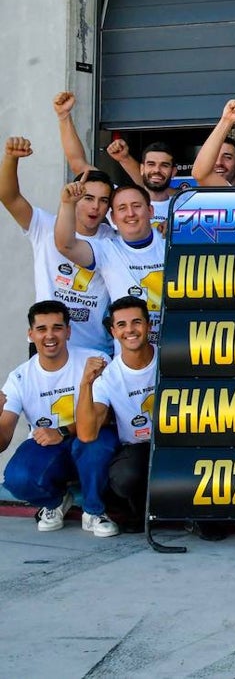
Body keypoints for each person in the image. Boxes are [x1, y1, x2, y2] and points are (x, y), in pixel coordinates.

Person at [0, 301, 118, 536]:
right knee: (15, 478)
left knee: (94, 442)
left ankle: (94, 511)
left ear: (68, 331)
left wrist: (63, 431)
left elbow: (107, 417)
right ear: (30, 334)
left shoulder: (94, 359)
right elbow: (3, 439)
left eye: (57, 327)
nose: (50, 335)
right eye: (42, 329)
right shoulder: (20, 377)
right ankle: (55, 502)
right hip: (47, 448)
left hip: (87, 439)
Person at [1, 137, 115, 354]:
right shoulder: (44, 225)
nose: (95, 207)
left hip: (97, 349)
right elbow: (9, 197)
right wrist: (10, 158)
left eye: (103, 200)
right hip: (48, 345)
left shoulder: (113, 238)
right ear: (74, 194)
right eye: (88, 198)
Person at [75, 295, 156, 530]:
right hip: (138, 447)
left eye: (136, 322)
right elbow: (87, 435)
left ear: (149, 325)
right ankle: (140, 510)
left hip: (177, 444)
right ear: (113, 331)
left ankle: (199, 518)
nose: (130, 330)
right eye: (121, 325)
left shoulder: (169, 357)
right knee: (124, 477)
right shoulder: (108, 376)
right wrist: (85, 384)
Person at [54, 182, 165, 343]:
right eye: (122, 208)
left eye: (136, 206)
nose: (130, 213)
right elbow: (66, 245)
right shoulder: (107, 249)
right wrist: (67, 204)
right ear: (113, 218)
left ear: (150, 210)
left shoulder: (171, 240)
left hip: (174, 350)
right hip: (129, 358)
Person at [106, 140, 177, 234]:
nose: (156, 170)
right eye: (151, 164)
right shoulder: (119, 199)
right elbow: (81, 165)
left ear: (173, 172)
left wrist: (176, 223)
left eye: (164, 165)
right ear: (142, 169)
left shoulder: (185, 205)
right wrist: (124, 158)